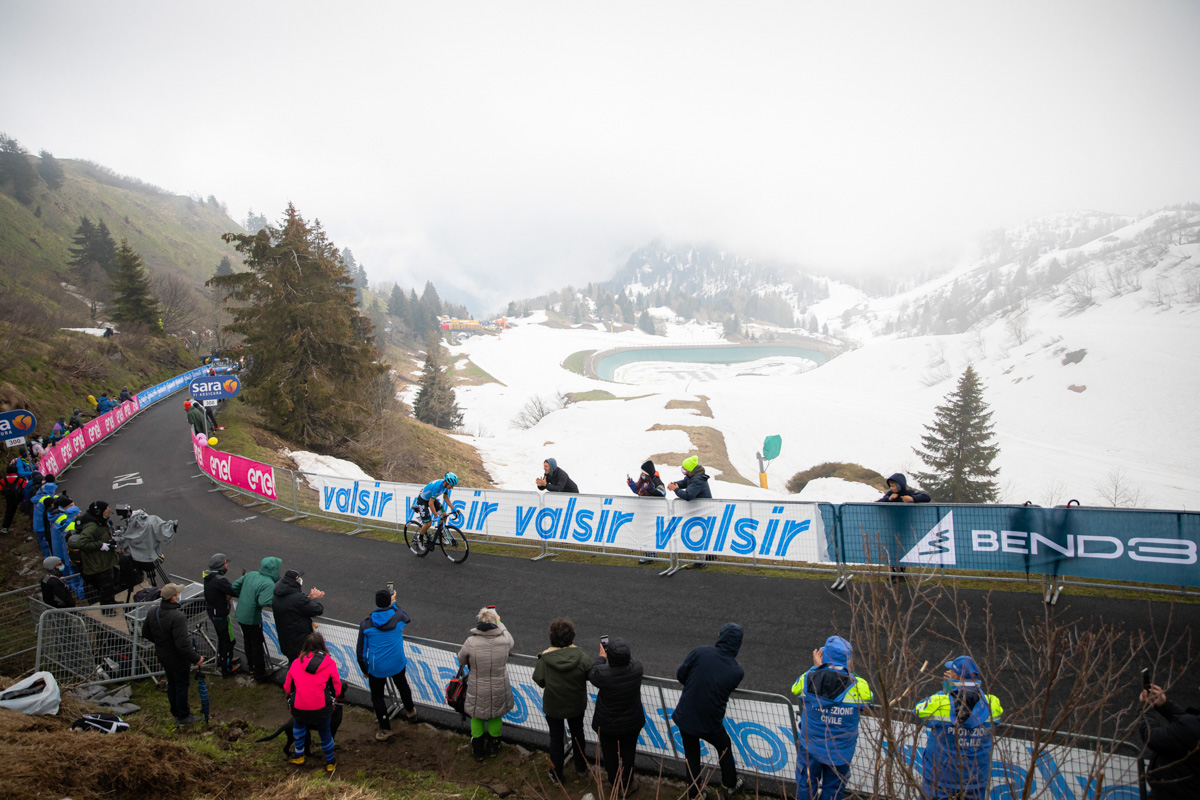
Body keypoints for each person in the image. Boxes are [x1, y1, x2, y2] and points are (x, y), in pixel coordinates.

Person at [791, 636, 873, 800]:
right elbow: (868, 701)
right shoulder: (859, 686)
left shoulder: (809, 678)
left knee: (805, 786)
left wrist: (818, 668)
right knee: (833, 792)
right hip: (841, 753)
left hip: (811, 749)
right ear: (848, 660)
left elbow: (795, 689)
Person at [673, 623, 746, 799]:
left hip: (686, 715)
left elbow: (681, 675)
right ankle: (729, 785)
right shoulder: (736, 671)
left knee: (692, 755)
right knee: (724, 747)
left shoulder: (701, 652)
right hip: (710, 722)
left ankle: (695, 793)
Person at [915, 656, 1003, 800]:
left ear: (955, 676)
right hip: (975, 781)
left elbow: (918, 710)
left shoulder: (940, 702)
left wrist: (946, 691)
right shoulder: (992, 703)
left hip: (940, 780)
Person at [533, 617, 594, 785]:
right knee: (578, 735)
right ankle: (581, 768)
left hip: (554, 707)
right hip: (576, 705)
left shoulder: (545, 659)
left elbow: (539, 680)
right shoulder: (581, 656)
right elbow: (590, 673)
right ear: (572, 637)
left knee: (556, 739)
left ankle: (556, 774)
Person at [356, 585, 418, 741]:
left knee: (377, 697)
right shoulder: (398, 617)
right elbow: (406, 616)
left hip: (377, 668)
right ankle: (411, 712)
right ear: (390, 601)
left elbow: (361, 652)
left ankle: (385, 728)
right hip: (397, 662)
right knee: (402, 685)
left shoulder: (366, 623)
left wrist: (365, 669)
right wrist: (395, 603)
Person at [589, 635, 645, 796]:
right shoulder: (637, 668)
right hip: (631, 723)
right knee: (629, 754)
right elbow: (632, 662)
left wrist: (602, 657)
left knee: (610, 755)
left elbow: (593, 671)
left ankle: (615, 784)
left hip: (607, 724)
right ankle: (628, 784)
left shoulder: (602, 675)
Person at [458, 606, 515, 761]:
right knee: (495, 716)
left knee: (476, 716)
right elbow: (510, 638)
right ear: (495, 623)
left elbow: (461, 659)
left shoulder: (471, 642)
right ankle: (493, 747)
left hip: (478, 687)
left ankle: (477, 750)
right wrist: (500, 622)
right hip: (499, 687)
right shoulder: (504, 641)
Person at [142, 583, 204, 725]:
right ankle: (183, 716)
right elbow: (182, 645)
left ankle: (175, 712)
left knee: (172, 684)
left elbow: (145, 633)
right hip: (178, 658)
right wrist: (196, 659)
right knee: (181, 684)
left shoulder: (153, 611)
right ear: (173, 599)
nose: (179, 595)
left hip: (163, 655)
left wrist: (161, 642)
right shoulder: (177, 617)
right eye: (177, 594)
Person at [284, 632, 341, 774]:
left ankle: (299, 755)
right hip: (321, 707)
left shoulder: (296, 663)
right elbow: (336, 688)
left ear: (305, 646)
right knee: (325, 731)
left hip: (299, 706)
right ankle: (330, 762)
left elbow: (287, 687)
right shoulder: (330, 663)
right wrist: (331, 697)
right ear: (323, 645)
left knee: (298, 725)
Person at [1139, 681, 1200, 798]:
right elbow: (1188, 723)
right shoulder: (1192, 725)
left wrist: (1144, 709)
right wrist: (1165, 706)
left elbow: (1151, 737)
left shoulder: (1191, 728)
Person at [231, 556, 282, 680]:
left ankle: (251, 668)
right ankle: (260, 672)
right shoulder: (268, 583)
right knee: (257, 644)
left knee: (248, 641)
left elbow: (235, 586)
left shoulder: (251, 574)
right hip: (252, 617)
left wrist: (243, 596)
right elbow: (263, 601)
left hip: (240, 613)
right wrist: (276, 602)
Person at [71, 500, 119, 614]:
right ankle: (107, 610)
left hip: (104, 561)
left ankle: (111, 602)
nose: (109, 510)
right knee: (105, 586)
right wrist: (100, 545)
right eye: (106, 508)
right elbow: (82, 542)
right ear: (99, 512)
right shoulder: (92, 525)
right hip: (98, 563)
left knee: (110, 584)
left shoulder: (100, 522)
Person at [274, 568, 325, 664]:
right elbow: (317, 609)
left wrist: (308, 598)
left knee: (293, 666)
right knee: (302, 668)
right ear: (296, 581)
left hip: (286, 641)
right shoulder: (297, 598)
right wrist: (315, 598)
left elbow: (294, 605)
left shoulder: (277, 594)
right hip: (300, 643)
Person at [202, 553, 239, 676]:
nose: (227, 566)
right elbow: (234, 591)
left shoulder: (208, 577)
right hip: (221, 615)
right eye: (225, 564)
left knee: (223, 640)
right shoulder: (220, 580)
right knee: (228, 642)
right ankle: (226, 667)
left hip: (213, 613)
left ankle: (223, 660)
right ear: (221, 566)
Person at [50, 495, 83, 597]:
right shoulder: (73, 526)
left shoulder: (63, 523)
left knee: (72, 575)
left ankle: (75, 591)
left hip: (66, 553)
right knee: (79, 575)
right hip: (75, 554)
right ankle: (81, 594)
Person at [415, 472, 457, 544]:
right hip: (423, 500)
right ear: (447, 483)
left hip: (431, 499)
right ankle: (420, 538)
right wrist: (436, 516)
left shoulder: (445, 486)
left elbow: (446, 498)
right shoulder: (437, 486)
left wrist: (454, 509)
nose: (452, 487)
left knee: (444, 516)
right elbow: (430, 503)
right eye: (452, 485)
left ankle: (439, 535)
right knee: (428, 523)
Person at [30, 474, 58, 558]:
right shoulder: (46, 500)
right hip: (44, 526)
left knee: (44, 545)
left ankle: (48, 560)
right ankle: (51, 562)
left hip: (38, 525)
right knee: (48, 545)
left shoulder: (39, 496)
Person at [1, 463, 25, 533]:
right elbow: (25, 488)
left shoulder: (3, 480)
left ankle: (5, 527)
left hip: (8, 498)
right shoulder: (20, 479)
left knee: (8, 512)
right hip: (19, 498)